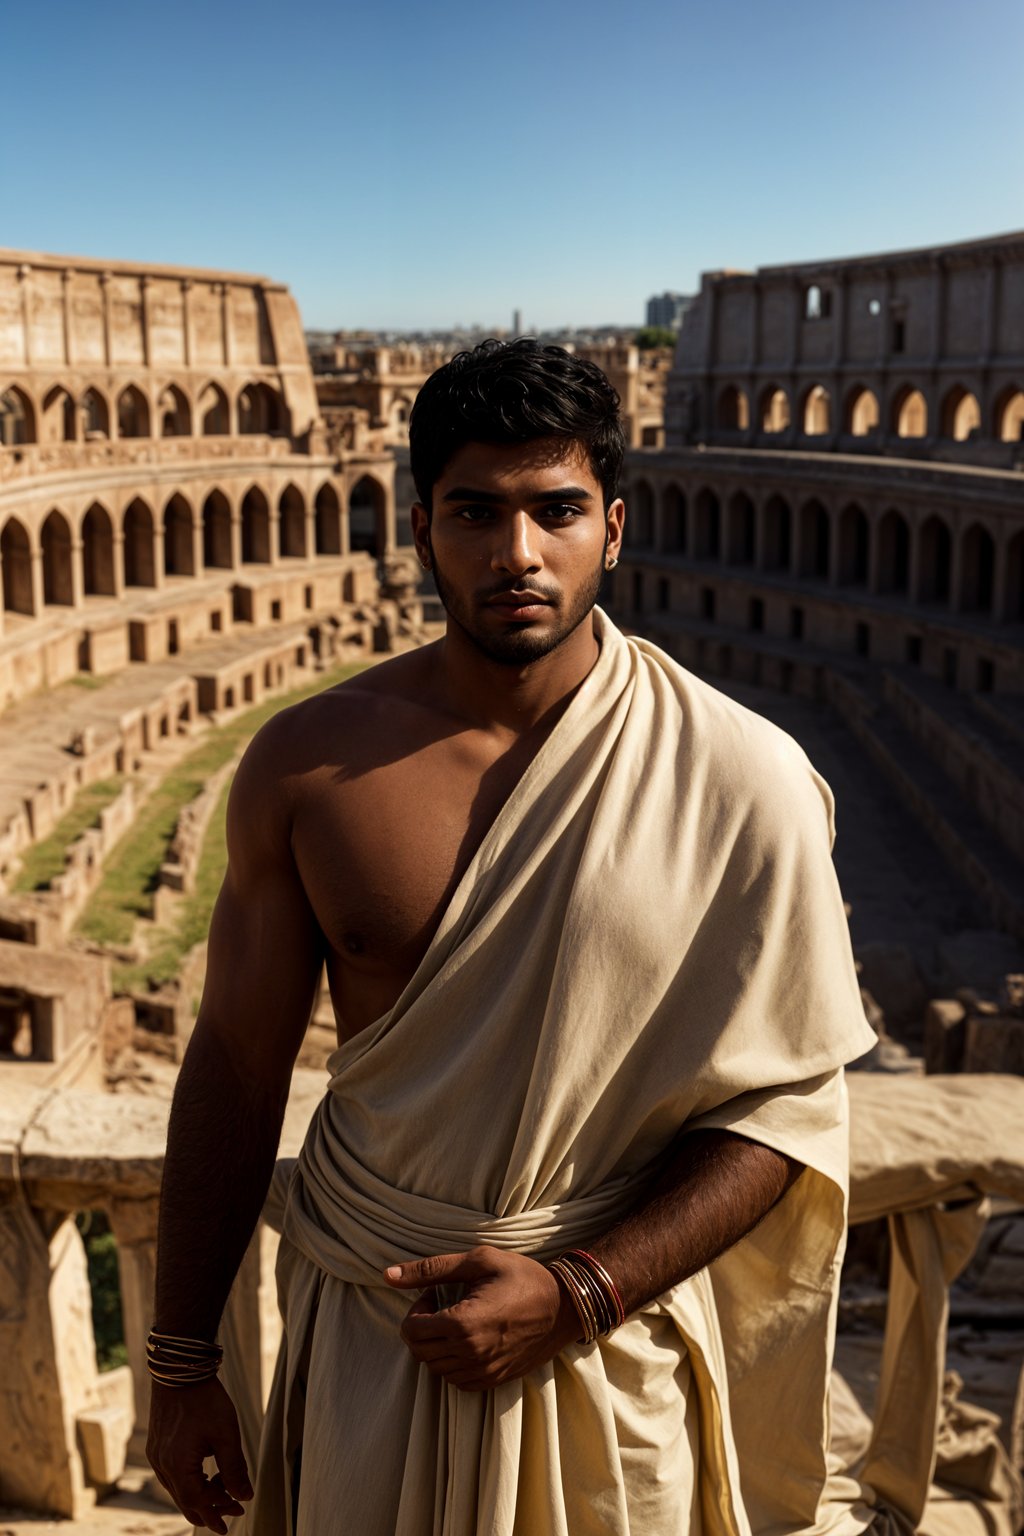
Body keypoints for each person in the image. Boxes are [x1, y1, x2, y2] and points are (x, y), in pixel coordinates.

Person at [147, 339, 875, 1535]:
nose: (518, 553)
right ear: (421, 523)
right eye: (477, 512)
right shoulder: (306, 768)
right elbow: (233, 1062)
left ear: (616, 528)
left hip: (606, 1353)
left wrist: (578, 1290)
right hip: (368, 1339)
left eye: (558, 510)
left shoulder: (747, 778)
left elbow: (787, 1107)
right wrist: (180, 1364)